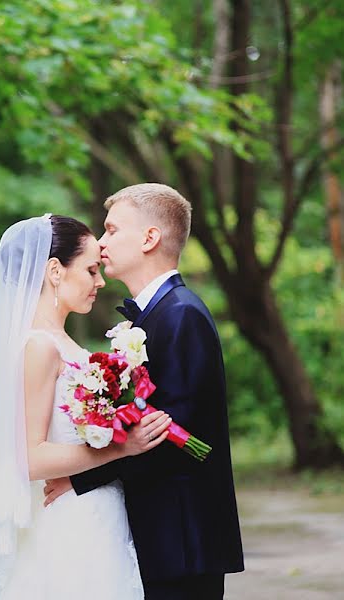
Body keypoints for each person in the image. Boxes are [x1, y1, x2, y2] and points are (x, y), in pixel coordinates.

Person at [0, 213, 172, 600]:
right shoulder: (38, 346)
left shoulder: (61, 340)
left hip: (96, 513)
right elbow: (31, 458)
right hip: (68, 521)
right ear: (55, 271)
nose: (100, 282)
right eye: (91, 270)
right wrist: (124, 446)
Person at [49, 183, 245, 599]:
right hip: (161, 534)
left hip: (183, 538)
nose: (101, 243)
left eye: (112, 230)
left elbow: (172, 435)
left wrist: (79, 479)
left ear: (150, 238)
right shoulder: (158, 315)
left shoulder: (182, 315)